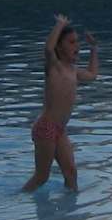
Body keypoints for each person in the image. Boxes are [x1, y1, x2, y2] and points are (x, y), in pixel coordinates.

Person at [22, 14, 99, 192]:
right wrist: (60, 24)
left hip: (60, 130)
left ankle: (70, 208)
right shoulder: (54, 67)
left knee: (71, 173)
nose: (77, 46)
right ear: (59, 46)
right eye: (71, 42)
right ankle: (15, 200)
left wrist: (94, 48)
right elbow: (48, 49)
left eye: (77, 42)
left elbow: (93, 75)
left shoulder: (74, 71)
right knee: (42, 177)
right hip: (46, 128)